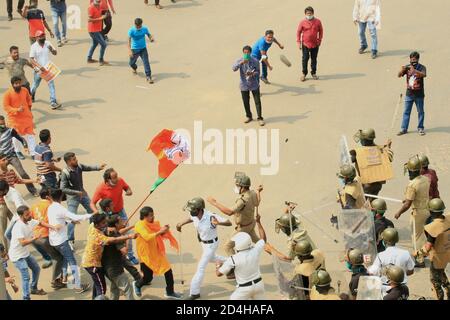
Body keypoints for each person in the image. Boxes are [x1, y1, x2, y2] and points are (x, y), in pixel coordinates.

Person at [176, 197, 231, 300]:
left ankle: (194, 292)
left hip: (212, 244)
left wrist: (218, 223)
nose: (191, 212)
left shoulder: (211, 216)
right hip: (203, 243)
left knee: (201, 267)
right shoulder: (195, 214)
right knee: (212, 258)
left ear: (200, 209)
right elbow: (191, 218)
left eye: (193, 210)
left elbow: (229, 222)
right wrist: (181, 223)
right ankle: (232, 261)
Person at [81, 213, 135, 300]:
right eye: (103, 223)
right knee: (102, 289)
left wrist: (123, 228)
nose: (105, 224)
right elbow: (114, 240)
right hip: (93, 264)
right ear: (97, 224)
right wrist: (128, 237)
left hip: (99, 265)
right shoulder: (99, 237)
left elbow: (115, 234)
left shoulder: (93, 227)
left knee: (112, 287)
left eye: (106, 222)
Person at [47, 189, 91, 293]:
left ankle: (64, 279)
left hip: (53, 240)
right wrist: (91, 215)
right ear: (61, 197)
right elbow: (76, 217)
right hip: (61, 241)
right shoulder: (60, 208)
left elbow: (59, 219)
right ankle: (77, 286)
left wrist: (69, 221)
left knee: (64, 259)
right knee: (72, 262)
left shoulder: (50, 207)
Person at [133, 206, 182, 299]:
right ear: (144, 216)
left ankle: (170, 292)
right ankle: (137, 285)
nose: (153, 217)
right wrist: (160, 231)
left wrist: (164, 230)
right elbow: (147, 236)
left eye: (153, 215)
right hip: (146, 255)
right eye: (151, 215)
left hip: (156, 252)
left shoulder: (152, 224)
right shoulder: (139, 225)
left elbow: (159, 233)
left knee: (168, 270)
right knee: (148, 278)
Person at [90, 168, 138, 264]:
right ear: (108, 180)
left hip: (120, 212)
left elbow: (127, 188)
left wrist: (129, 191)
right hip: (108, 215)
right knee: (111, 235)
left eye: (116, 176)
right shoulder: (100, 188)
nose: (117, 179)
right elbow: (92, 203)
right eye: (114, 177)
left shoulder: (120, 180)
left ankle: (130, 255)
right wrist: (98, 214)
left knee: (128, 230)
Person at [207, 173, 262, 256]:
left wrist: (214, 203)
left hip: (243, 228)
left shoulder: (242, 200)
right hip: (251, 224)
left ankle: (235, 265)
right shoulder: (253, 193)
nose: (236, 188)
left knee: (227, 247)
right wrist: (258, 191)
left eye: (238, 186)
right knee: (260, 243)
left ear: (243, 187)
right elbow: (257, 202)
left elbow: (229, 212)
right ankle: (272, 252)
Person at [8, 205, 56, 299]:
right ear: (21, 216)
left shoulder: (29, 221)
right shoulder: (19, 227)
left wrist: (52, 227)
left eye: (29, 213)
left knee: (36, 269)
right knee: (26, 277)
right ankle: (26, 297)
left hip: (25, 253)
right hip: (17, 257)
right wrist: (34, 239)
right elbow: (22, 243)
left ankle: (33, 288)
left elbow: (40, 223)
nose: (30, 215)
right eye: (27, 214)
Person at [216, 213, 267, 300]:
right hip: (259, 285)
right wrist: (258, 222)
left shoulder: (233, 259)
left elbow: (219, 274)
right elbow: (263, 239)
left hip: (244, 289)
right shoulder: (255, 250)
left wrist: (218, 266)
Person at [60, 152, 106, 245]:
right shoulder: (65, 173)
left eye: (75, 158)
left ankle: (92, 232)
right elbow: (63, 188)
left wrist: (98, 167)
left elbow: (87, 167)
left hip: (83, 195)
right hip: (73, 198)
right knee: (71, 219)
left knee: (93, 212)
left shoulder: (79, 166)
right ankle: (70, 240)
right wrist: (77, 192)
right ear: (68, 162)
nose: (76, 160)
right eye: (74, 159)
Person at [394, 155, 430, 267]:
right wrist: (408, 198)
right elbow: (418, 195)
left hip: (417, 212)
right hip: (426, 209)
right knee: (422, 234)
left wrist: (399, 212)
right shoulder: (425, 179)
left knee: (416, 236)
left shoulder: (412, 184)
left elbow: (408, 204)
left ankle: (420, 260)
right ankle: (423, 253)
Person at [30, 187, 66, 289]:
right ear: (47, 196)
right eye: (51, 195)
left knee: (53, 255)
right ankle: (56, 281)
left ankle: (48, 261)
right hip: (45, 237)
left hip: (35, 237)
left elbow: (31, 220)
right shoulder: (51, 206)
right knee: (58, 257)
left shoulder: (34, 206)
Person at [414, 198, 449, 300]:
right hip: (447, 252)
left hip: (437, 256)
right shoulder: (447, 219)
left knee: (434, 280)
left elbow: (428, 247)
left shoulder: (433, 227)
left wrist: (417, 254)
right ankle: (448, 288)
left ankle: (439, 297)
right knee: (441, 272)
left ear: (431, 211)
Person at [104, 214, 141, 299]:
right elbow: (124, 251)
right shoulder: (116, 236)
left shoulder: (107, 230)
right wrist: (128, 239)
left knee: (115, 289)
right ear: (116, 224)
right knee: (128, 288)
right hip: (115, 269)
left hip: (106, 268)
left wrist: (131, 227)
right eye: (120, 220)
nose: (123, 222)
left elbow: (119, 232)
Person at [368, 228, 415, 295]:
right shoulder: (405, 253)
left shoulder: (380, 256)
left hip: (385, 290)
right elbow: (411, 271)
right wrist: (399, 275)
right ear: (397, 239)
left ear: (384, 241)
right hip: (402, 288)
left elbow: (372, 272)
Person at [350, 128, 394, 199]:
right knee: (373, 201)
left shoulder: (358, 152)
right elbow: (389, 157)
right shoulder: (381, 150)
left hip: (366, 185)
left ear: (364, 140)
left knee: (364, 204)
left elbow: (350, 160)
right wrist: (388, 147)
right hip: (378, 185)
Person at [0, 116, 38, 195]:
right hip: (1, 159)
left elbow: (21, 139)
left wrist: (25, 146)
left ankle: (33, 190)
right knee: (2, 177)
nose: (3, 125)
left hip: (12, 156)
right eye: (1, 124)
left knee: (23, 173)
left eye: (4, 123)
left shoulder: (10, 130)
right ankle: (4, 194)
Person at [3, 76, 37, 160]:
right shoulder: (7, 94)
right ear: (12, 84)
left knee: (30, 135)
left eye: (19, 83)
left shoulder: (25, 90)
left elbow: (29, 100)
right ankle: (17, 151)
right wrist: (17, 110)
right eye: (16, 84)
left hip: (26, 118)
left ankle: (33, 152)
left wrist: (28, 110)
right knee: (16, 137)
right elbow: (6, 107)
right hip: (15, 120)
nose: (18, 85)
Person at [30, 30, 62, 110]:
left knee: (51, 85)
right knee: (35, 85)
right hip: (38, 70)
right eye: (40, 36)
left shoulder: (48, 43)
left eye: (43, 36)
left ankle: (53, 102)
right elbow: (31, 59)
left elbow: (55, 53)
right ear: (36, 38)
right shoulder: (34, 46)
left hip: (48, 69)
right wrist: (39, 67)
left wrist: (52, 49)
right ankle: (31, 95)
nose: (43, 37)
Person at [232, 45, 264, 126]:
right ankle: (249, 116)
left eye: (248, 53)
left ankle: (260, 118)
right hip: (244, 84)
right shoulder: (240, 60)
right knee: (246, 102)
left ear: (250, 53)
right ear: (243, 53)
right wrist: (241, 63)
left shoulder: (255, 61)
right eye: (244, 53)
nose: (246, 54)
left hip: (254, 84)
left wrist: (252, 73)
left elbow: (258, 72)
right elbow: (233, 68)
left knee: (257, 102)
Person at [397, 52, 427, 136]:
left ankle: (420, 128)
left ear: (417, 59)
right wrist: (402, 70)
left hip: (419, 94)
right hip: (409, 94)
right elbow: (399, 75)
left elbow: (424, 75)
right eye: (411, 59)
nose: (412, 61)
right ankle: (404, 129)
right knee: (406, 112)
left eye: (414, 59)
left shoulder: (422, 67)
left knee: (420, 112)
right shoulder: (407, 67)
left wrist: (415, 71)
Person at [296, 6, 323, 81]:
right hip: (305, 44)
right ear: (305, 14)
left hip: (315, 44)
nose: (309, 15)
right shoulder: (302, 22)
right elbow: (298, 32)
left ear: (313, 13)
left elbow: (321, 31)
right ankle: (304, 73)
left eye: (310, 13)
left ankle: (313, 73)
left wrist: (319, 40)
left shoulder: (318, 21)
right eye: (307, 13)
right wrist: (298, 42)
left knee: (314, 59)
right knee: (305, 59)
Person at [128, 18, 154, 83]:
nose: (138, 27)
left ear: (141, 24)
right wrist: (129, 51)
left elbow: (148, 34)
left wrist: (151, 38)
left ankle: (148, 76)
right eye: (137, 26)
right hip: (134, 49)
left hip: (143, 49)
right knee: (131, 63)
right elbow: (128, 41)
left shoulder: (144, 29)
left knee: (146, 62)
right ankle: (134, 68)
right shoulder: (131, 30)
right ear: (135, 24)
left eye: (140, 26)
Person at [87, 0, 109, 66]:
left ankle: (89, 58)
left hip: (97, 29)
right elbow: (89, 20)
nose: (99, 3)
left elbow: (100, 14)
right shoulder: (91, 8)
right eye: (97, 1)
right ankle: (101, 60)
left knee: (94, 44)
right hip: (93, 31)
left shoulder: (99, 6)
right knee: (104, 44)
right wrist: (101, 18)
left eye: (99, 1)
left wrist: (105, 15)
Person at [0, 181, 13, 251]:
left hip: (10, 203)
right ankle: (5, 250)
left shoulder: (8, 172)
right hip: (1, 206)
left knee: (17, 224)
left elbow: (19, 180)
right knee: (2, 229)